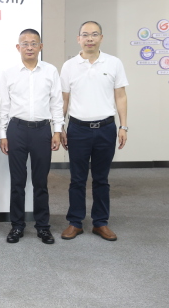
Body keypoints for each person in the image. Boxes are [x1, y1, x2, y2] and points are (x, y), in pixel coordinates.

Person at [60, 21, 128, 241]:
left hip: (106, 128)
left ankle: (100, 222)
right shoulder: (69, 66)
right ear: (78, 39)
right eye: (85, 35)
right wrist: (60, 127)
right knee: (77, 179)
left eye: (94, 34)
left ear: (101, 38)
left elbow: (120, 96)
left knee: (101, 179)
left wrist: (123, 126)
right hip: (78, 129)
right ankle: (75, 222)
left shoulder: (114, 63)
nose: (90, 38)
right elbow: (64, 99)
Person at [0, 29, 64, 245]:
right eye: (25, 43)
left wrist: (57, 131)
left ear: (40, 47)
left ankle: (43, 227)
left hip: (42, 131)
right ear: (18, 47)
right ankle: (17, 226)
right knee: (17, 182)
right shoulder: (9, 73)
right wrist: (3, 134)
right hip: (16, 130)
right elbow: (4, 106)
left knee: (40, 182)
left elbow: (56, 103)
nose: (29, 47)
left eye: (33, 43)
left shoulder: (50, 71)